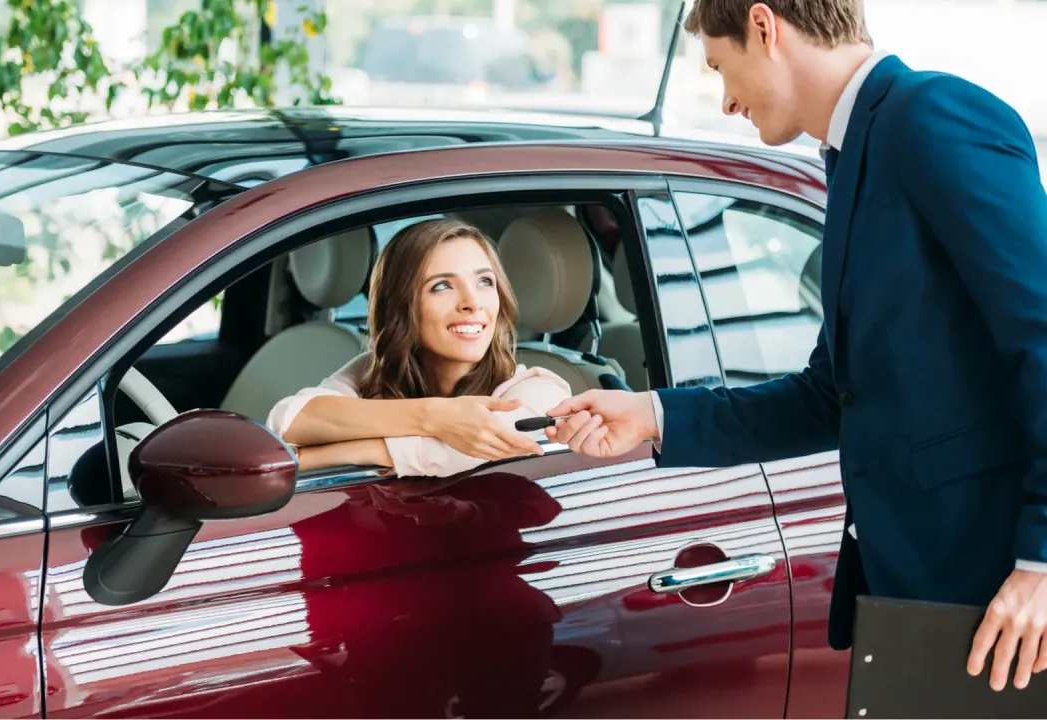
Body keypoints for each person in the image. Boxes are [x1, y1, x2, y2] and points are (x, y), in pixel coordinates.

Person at [545, 0, 1047, 694]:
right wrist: (654, 415)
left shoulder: (935, 118)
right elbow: (830, 394)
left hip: (997, 603)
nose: (724, 100)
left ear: (763, 25)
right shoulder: (852, 154)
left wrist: (1042, 566)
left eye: (721, 68)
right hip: (916, 600)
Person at [267, 217, 571, 477]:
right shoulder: (374, 371)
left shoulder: (541, 393)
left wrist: (328, 455)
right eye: (442, 286)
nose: (472, 303)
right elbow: (288, 421)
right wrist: (434, 416)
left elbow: (469, 450)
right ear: (402, 306)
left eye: (484, 282)